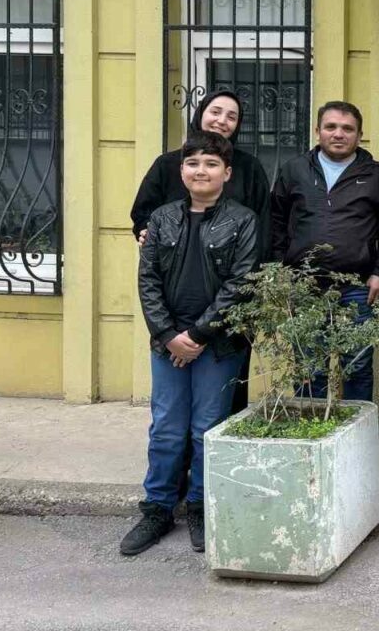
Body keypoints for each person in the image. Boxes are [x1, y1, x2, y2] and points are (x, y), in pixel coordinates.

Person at [120, 131, 258, 557]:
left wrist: (197, 336)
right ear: (181, 170)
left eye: (211, 164)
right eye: (193, 163)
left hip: (217, 344)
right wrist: (168, 336)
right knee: (166, 428)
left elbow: (240, 284)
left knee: (206, 429)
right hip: (168, 343)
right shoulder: (161, 219)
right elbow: (148, 281)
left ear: (226, 173)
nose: (202, 171)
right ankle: (158, 509)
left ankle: (199, 505)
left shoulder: (243, 220)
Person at [130, 88, 270, 413]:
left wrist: (254, 283)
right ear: (200, 114)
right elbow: (143, 214)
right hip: (175, 296)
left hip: (229, 297)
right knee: (172, 403)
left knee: (224, 394)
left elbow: (264, 226)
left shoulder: (249, 168)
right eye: (215, 111)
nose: (222, 120)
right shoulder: (168, 164)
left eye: (231, 116)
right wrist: (144, 232)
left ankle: (219, 442)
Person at [270, 100, 379, 402]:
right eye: (331, 127)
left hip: (358, 286)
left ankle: (355, 430)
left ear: (359, 135)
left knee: (357, 366)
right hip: (304, 286)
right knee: (309, 366)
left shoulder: (375, 175)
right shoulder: (294, 170)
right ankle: (312, 427)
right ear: (317, 131)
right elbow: (275, 223)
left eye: (347, 129)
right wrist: (280, 271)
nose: (338, 134)